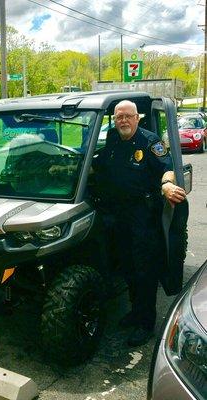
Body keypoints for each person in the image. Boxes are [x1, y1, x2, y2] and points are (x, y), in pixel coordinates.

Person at [91, 100, 186, 346]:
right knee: (128, 268)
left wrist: (166, 185)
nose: (123, 121)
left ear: (137, 118)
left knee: (145, 271)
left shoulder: (149, 141)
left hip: (143, 217)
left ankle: (146, 324)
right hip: (118, 216)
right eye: (118, 117)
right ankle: (135, 312)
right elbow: (98, 164)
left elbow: (167, 167)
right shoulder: (113, 140)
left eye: (127, 116)